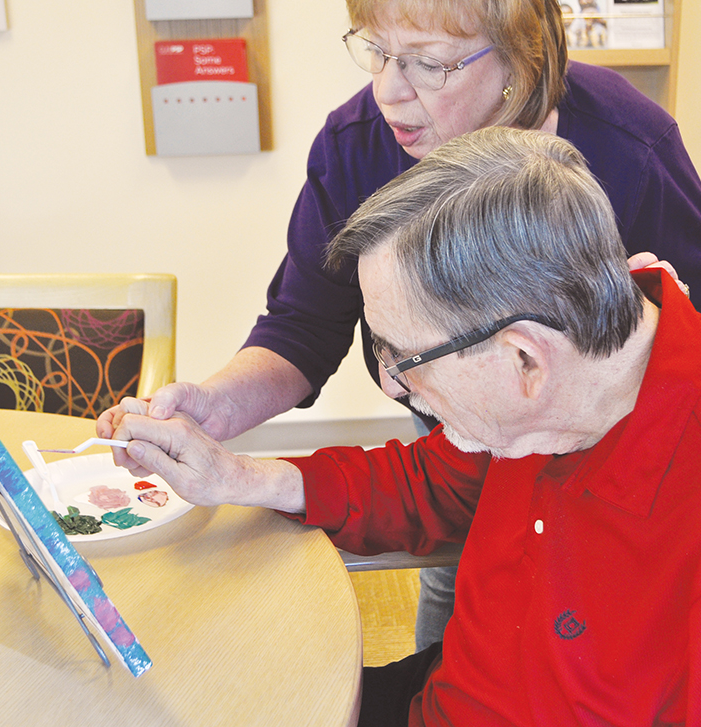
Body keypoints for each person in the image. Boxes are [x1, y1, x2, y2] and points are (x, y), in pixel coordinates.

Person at [98, 0, 701, 651]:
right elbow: (305, 325)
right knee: (467, 586)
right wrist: (216, 410)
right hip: (461, 435)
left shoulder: (631, 149)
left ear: (517, 56)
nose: (386, 91)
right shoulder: (356, 142)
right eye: (377, 51)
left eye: (427, 63)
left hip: (624, 469)